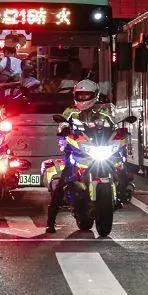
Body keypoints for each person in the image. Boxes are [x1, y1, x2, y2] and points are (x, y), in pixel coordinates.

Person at [46, 79, 127, 233]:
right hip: (76, 150)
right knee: (64, 179)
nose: (83, 98)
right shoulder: (70, 111)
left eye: (86, 95)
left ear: (95, 95)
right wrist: (64, 129)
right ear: (75, 95)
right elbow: (62, 124)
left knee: (122, 167)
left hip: (98, 147)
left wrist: (121, 130)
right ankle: (51, 220)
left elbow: (114, 123)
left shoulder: (104, 111)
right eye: (80, 95)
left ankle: (122, 195)